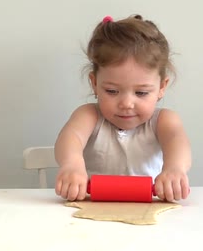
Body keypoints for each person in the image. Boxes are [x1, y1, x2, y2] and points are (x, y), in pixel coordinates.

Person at [54, 14, 191, 202]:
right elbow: (71, 137)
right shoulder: (89, 115)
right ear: (94, 84)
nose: (126, 104)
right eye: (112, 91)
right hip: (92, 207)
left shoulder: (163, 120)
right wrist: (72, 165)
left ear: (161, 88)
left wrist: (175, 169)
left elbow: (177, 141)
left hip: (150, 210)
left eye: (141, 93)